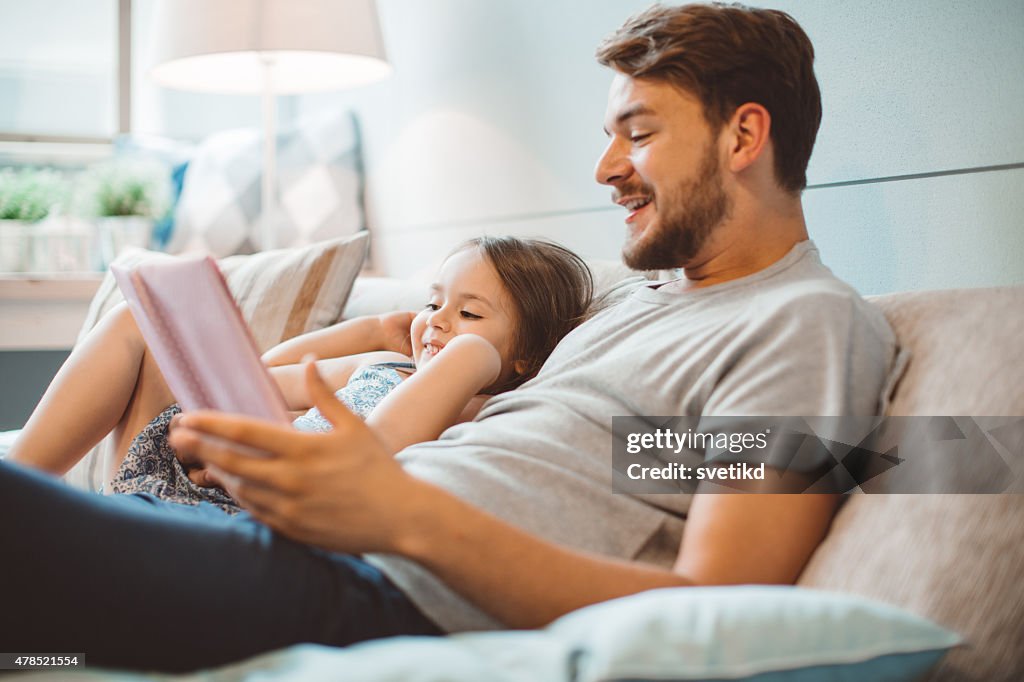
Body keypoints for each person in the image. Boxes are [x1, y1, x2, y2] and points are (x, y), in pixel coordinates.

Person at [0, 2, 898, 673]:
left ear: (745, 135)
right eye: (609, 135)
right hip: (304, 539)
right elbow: (650, 463)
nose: (606, 167)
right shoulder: (637, 309)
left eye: (641, 133)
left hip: (372, 589)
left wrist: (400, 514)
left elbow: (716, 601)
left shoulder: (803, 322)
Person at [8, 236, 594, 513]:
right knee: (134, 321)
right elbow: (259, 377)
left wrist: (472, 355)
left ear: (524, 355)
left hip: (248, 512)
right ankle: (19, 486)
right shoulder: (385, 363)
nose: (438, 323)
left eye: (468, 313)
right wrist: (369, 332)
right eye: (434, 302)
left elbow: (373, 450)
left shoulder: (479, 405)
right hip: (182, 473)